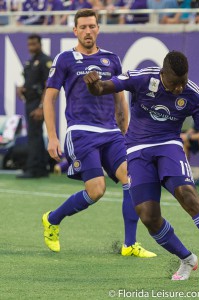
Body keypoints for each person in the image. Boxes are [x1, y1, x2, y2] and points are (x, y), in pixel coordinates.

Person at [83, 50, 199, 283]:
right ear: (162, 74)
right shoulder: (142, 79)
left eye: (183, 82)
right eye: (174, 83)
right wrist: (92, 83)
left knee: (188, 196)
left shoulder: (194, 95)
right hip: (137, 150)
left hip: (168, 146)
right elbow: (101, 88)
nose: (179, 88)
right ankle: (187, 258)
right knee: (148, 216)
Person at [42, 9, 156, 258]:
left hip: (111, 133)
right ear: (75, 31)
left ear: (98, 29)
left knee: (132, 179)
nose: (88, 31)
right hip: (81, 132)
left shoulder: (111, 59)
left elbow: (120, 98)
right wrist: (51, 136)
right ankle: (52, 219)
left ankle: (129, 244)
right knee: (96, 190)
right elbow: (49, 99)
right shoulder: (64, 59)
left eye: (92, 26)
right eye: (82, 27)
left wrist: (127, 131)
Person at [16, 34, 52, 179]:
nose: (31, 47)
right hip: (30, 101)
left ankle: (34, 169)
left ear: (40, 44)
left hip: (38, 102)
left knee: (34, 136)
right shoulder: (30, 62)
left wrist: (42, 106)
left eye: (34, 44)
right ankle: (42, 168)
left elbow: (48, 85)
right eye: (29, 44)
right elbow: (29, 82)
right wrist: (22, 88)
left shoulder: (45, 61)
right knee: (34, 134)